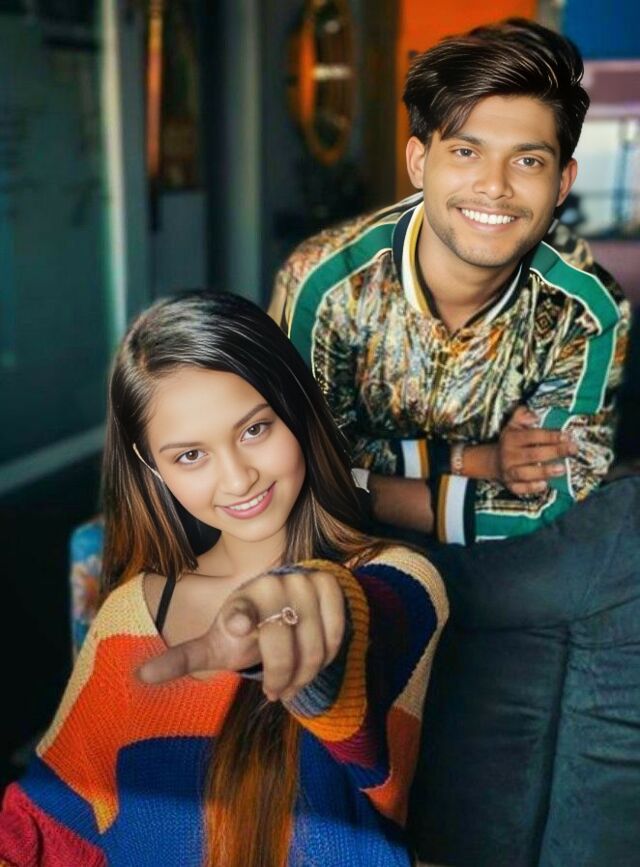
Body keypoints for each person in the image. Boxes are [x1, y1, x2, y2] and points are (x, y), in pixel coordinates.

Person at [0, 292, 447, 867]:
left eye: (255, 429)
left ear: (296, 409)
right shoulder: (127, 614)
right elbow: (48, 825)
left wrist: (310, 612)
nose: (238, 479)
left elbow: (366, 635)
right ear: (151, 466)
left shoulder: (403, 579)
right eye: (190, 456)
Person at [269, 18, 630, 546]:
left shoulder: (584, 309)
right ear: (419, 162)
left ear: (562, 183)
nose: (494, 186)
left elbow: (552, 496)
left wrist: (365, 482)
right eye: (466, 152)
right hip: (337, 546)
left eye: (528, 160)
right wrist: (475, 461)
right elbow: (298, 468)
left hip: (512, 560)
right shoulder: (329, 283)